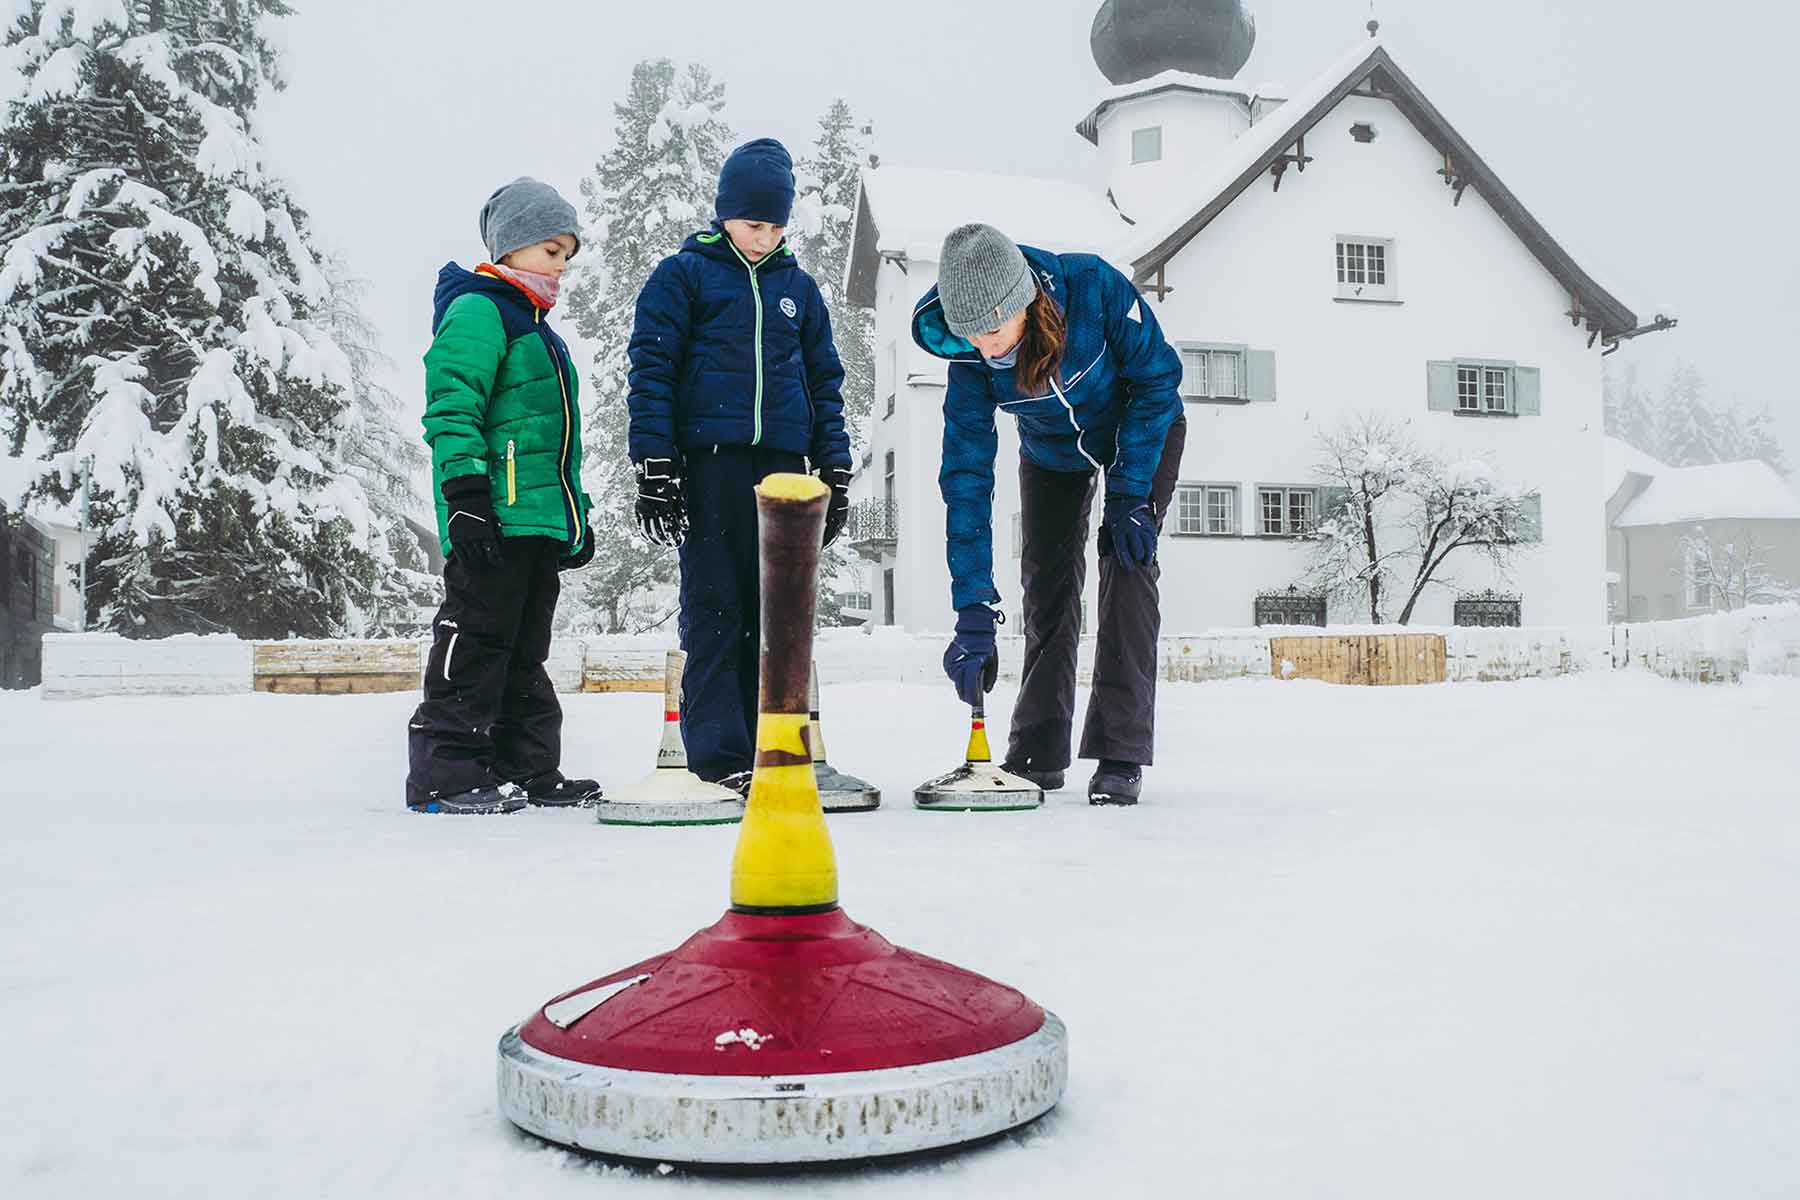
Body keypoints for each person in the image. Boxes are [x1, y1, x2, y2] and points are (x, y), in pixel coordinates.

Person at [912, 223, 1186, 805]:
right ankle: (1037, 751)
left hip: (1143, 429)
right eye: (969, 336)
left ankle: (1119, 752)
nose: (985, 349)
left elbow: (1158, 379)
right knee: (1047, 587)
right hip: (1053, 453)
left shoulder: (1093, 288)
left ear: (1024, 301)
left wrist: (1129, 495)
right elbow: (966, 480)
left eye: (992, 330)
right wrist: (972, 608)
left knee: (1128, 568)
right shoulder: (972, 363)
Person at [626, 138, 852, 793]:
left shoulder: (798, 290)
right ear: (726, 212)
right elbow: (652, 371)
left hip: (784, 468)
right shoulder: (685, 276)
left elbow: (825, 383)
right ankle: (720, 756)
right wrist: (657, 466)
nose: (766, 238)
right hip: (710, 465)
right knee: (715, 604)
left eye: (777, 226)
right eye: (755, 224)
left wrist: (834, 472)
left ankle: (774, 747)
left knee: (778, 613)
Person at [405, 177, 599, 815]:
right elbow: (452, 404)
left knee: (524, 650)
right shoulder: (479, 310)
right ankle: (445, 776)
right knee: (477, 640)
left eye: (568, 255)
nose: (561, 266)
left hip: (534, 520)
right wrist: (465, 495)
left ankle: (526, 767)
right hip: (491, 514)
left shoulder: (539, 328)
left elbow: (552, 441)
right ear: (511, 246)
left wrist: (573, 518)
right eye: (551, 251)